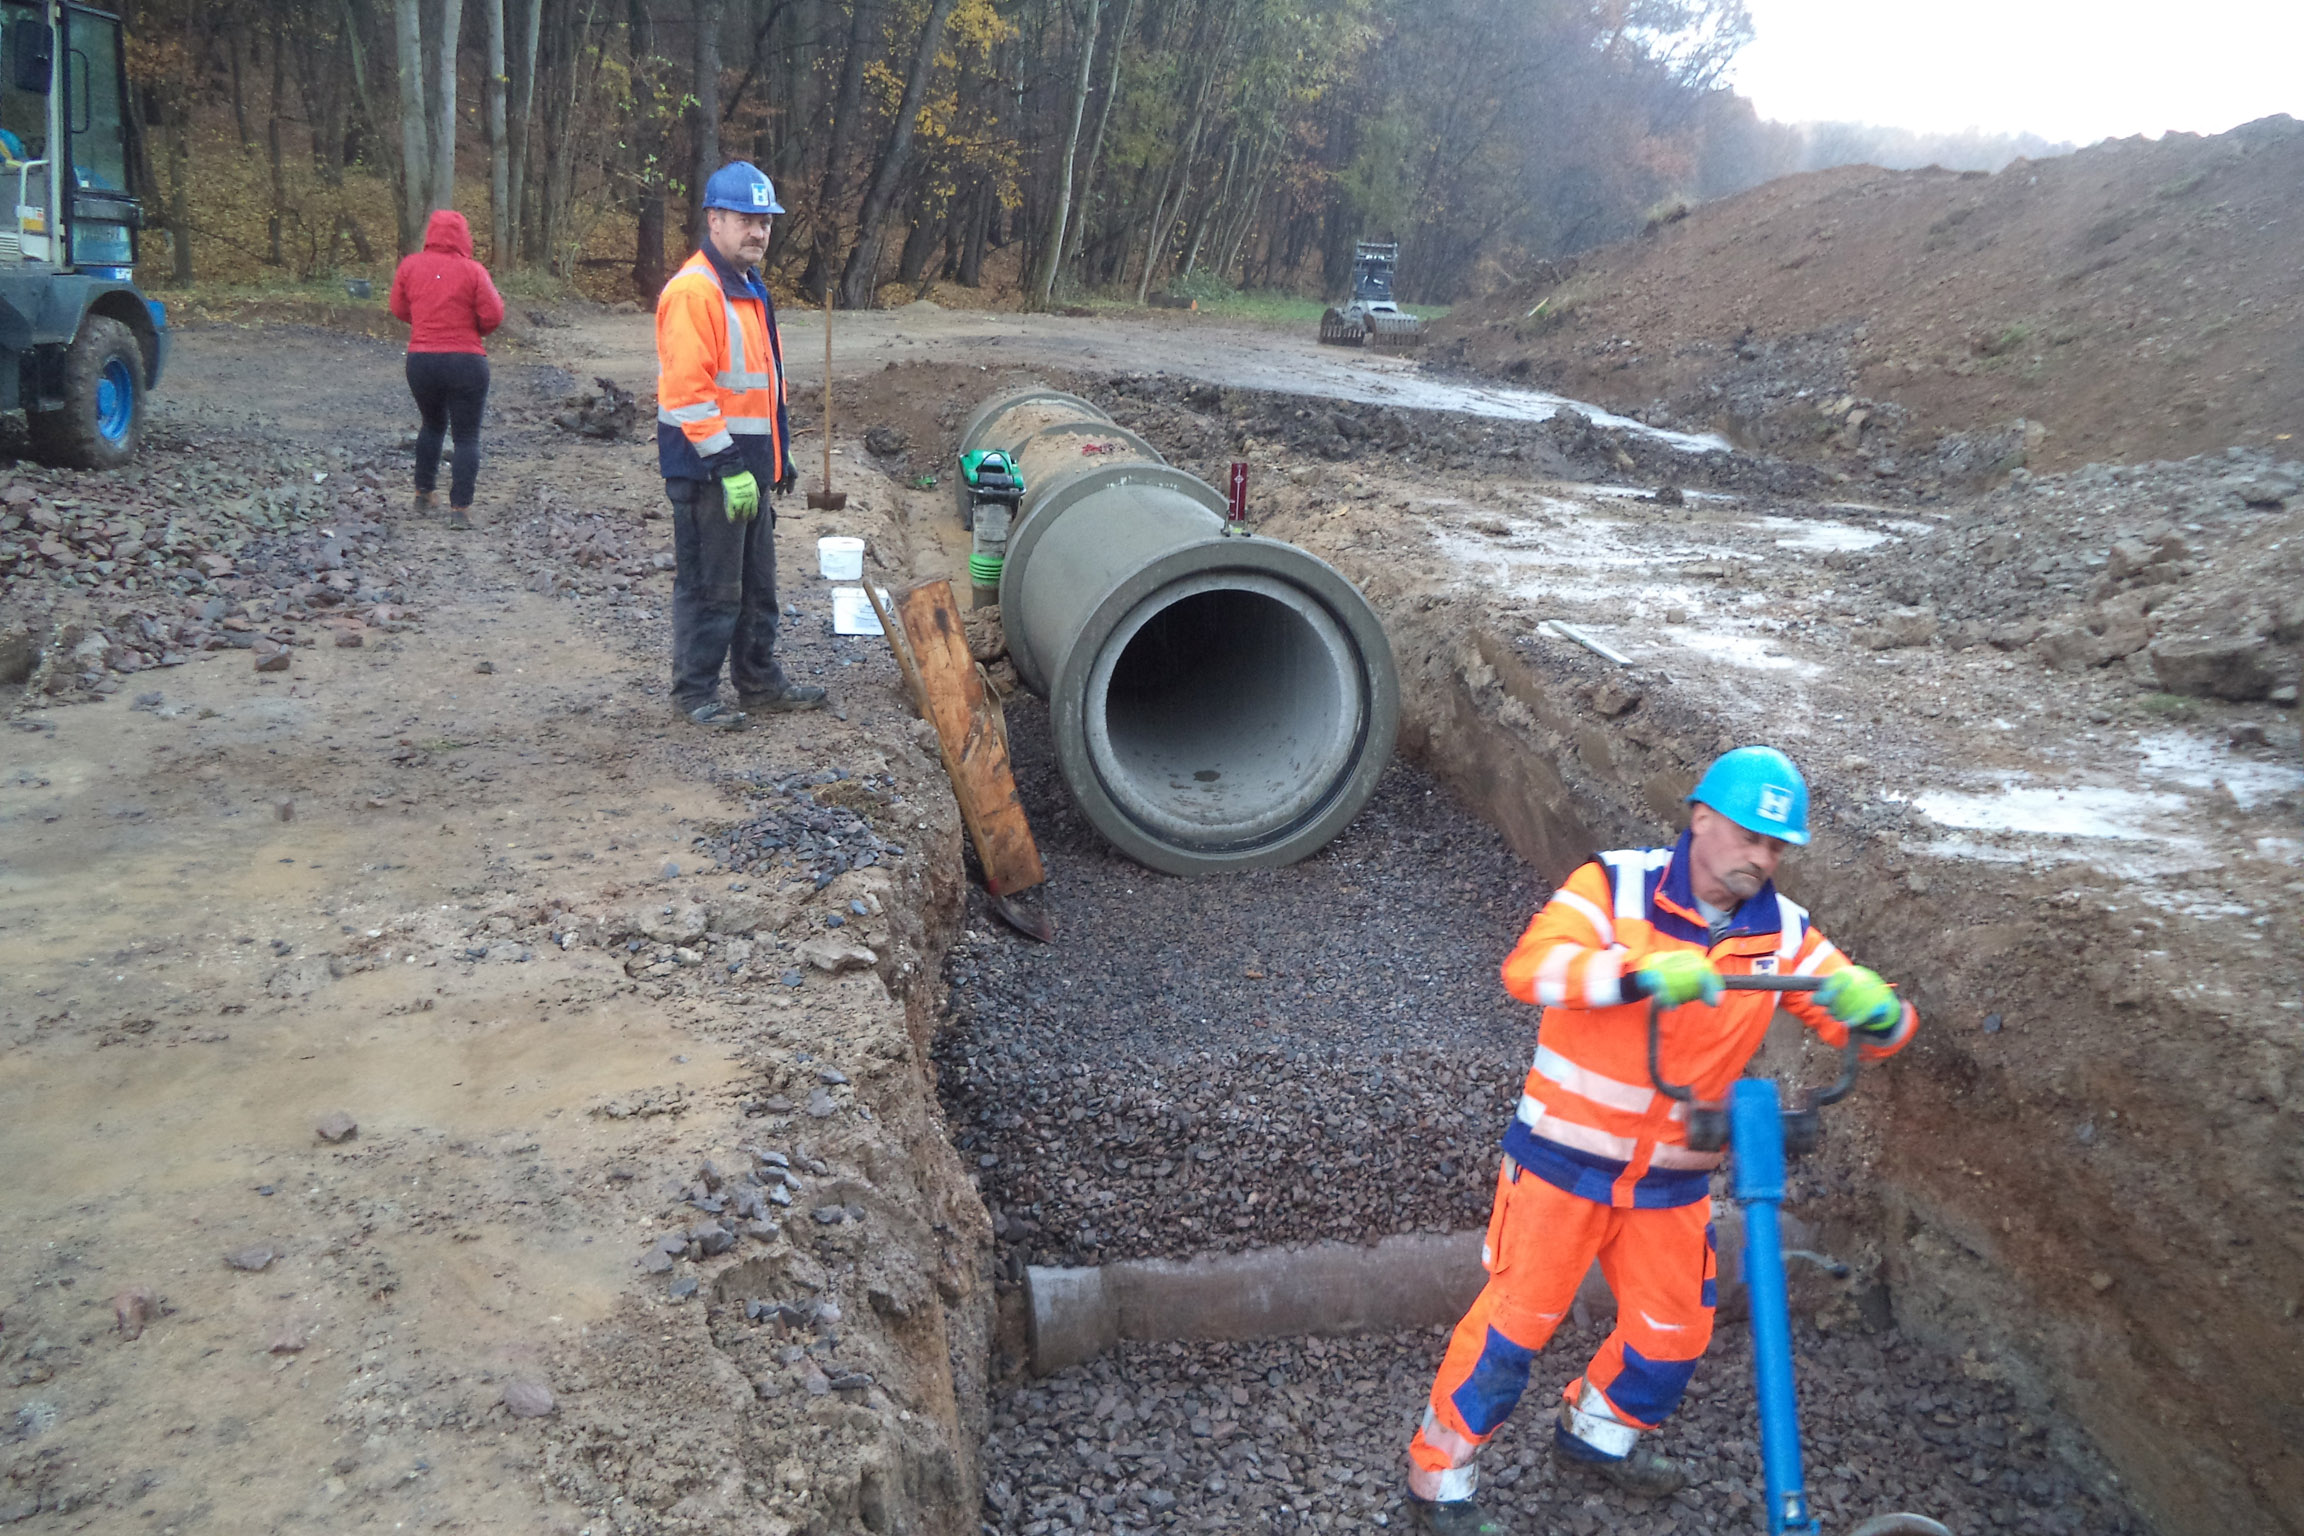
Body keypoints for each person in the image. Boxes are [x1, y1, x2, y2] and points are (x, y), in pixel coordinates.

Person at [1403, 747, 1919, 1534]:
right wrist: (1640, 971)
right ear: (1702, 819)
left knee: (1674, 1331)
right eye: (1749, 837)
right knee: (1512, 1330)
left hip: (1672, 1179)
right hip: (1562, 1166)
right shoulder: (1613, 888)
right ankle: (1437, 1484)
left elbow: (1872, 1026)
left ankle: (1596, 1438)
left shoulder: (1781, 932)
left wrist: (1879, 1012)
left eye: (1777, 847)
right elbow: (1530, 969)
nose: (1762, 858)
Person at [653, 160, 825, 727]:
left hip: (748, 468)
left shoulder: (749, 289)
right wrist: (728, 465)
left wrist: (779, 449)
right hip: (708, 472)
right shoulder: (695, 292)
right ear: (715, 220)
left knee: (757, 589)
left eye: (765, 221)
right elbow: (689, 392)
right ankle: (694, 693)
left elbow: (760, 383)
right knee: (712, 587)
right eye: (747, 220)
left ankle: (759, 681)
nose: (758, 231)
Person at [388, 209, 504, 530]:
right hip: (466, 361)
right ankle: (460, 510)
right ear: (464, 236)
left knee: (432, 425)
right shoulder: (473, 271)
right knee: (466, 436)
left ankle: (423, 493)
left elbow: (398, 307)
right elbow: (493, 315)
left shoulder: (410, 266)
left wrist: (425, 323)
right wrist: (473, 330)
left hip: (421, 361)